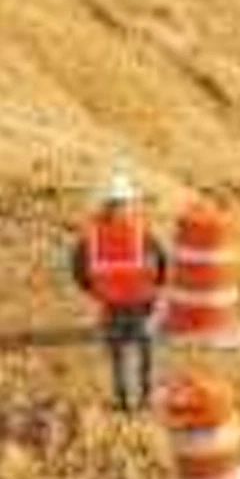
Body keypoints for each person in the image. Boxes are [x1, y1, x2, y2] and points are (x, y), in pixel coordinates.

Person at [67, 171, 170, 414]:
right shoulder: (141, 234)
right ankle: (146, 399)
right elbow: (162, 263)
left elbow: (78, 271)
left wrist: (96, 291)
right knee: (147, 354)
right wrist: (156, 289)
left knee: (119, 360)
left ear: (105, 204)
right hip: (142, 307)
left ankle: (124, 403)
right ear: (128, 203)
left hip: (112, 308)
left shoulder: (90, 239)